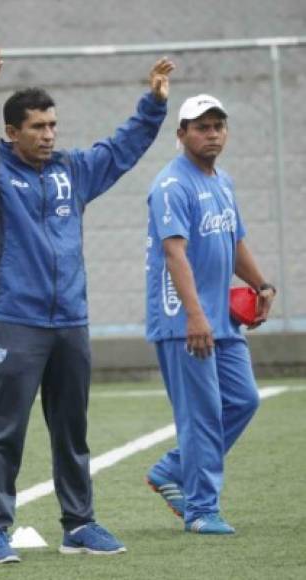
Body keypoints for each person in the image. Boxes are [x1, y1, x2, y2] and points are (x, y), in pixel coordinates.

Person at [0, 43, 175, 563]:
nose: (49, 134)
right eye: (38, 127)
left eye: (52, 125)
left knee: (73, 431)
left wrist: (153, 105)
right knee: (5, 431)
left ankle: (79, 524)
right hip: (16, 321)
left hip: (72, 320)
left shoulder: (73, 170)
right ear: (12, 132)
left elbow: (120, 150)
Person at [145, 94, 276, 534]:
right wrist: (194, 317)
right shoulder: (172, 185)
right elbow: (173, 253)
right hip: (185, 321)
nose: (212, 133)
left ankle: (171, 469)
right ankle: (201, 510)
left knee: (243, 400)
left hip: (221, 318)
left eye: (218, 125)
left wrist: (261, 284)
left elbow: (235, 241)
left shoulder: (223, 181)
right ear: (181, 134)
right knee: (201, 414)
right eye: (201, 127)